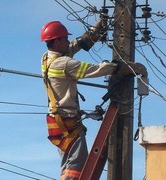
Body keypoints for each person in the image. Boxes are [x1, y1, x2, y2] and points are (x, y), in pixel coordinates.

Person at [40, 20, 147, 180]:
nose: (68, 42)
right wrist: (121, 67)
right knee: (76, 166)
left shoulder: (47, 59)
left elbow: (72, 47)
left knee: (69, 161)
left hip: (57, 121)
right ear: (56, 42)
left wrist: (93, 33)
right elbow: (95, 70)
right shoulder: (64, 64)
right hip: (66, 121)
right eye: (64, 39)